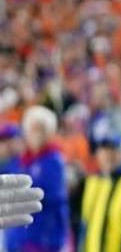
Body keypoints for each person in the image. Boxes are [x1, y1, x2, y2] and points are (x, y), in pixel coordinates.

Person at [5, 108, 67, 252]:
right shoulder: (20, 160)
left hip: (42, 237)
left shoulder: (54, 160)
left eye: (42, 129)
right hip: (17, 235)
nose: (37, 134)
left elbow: (51, 196)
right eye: (34, 129)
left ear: (50, 133)